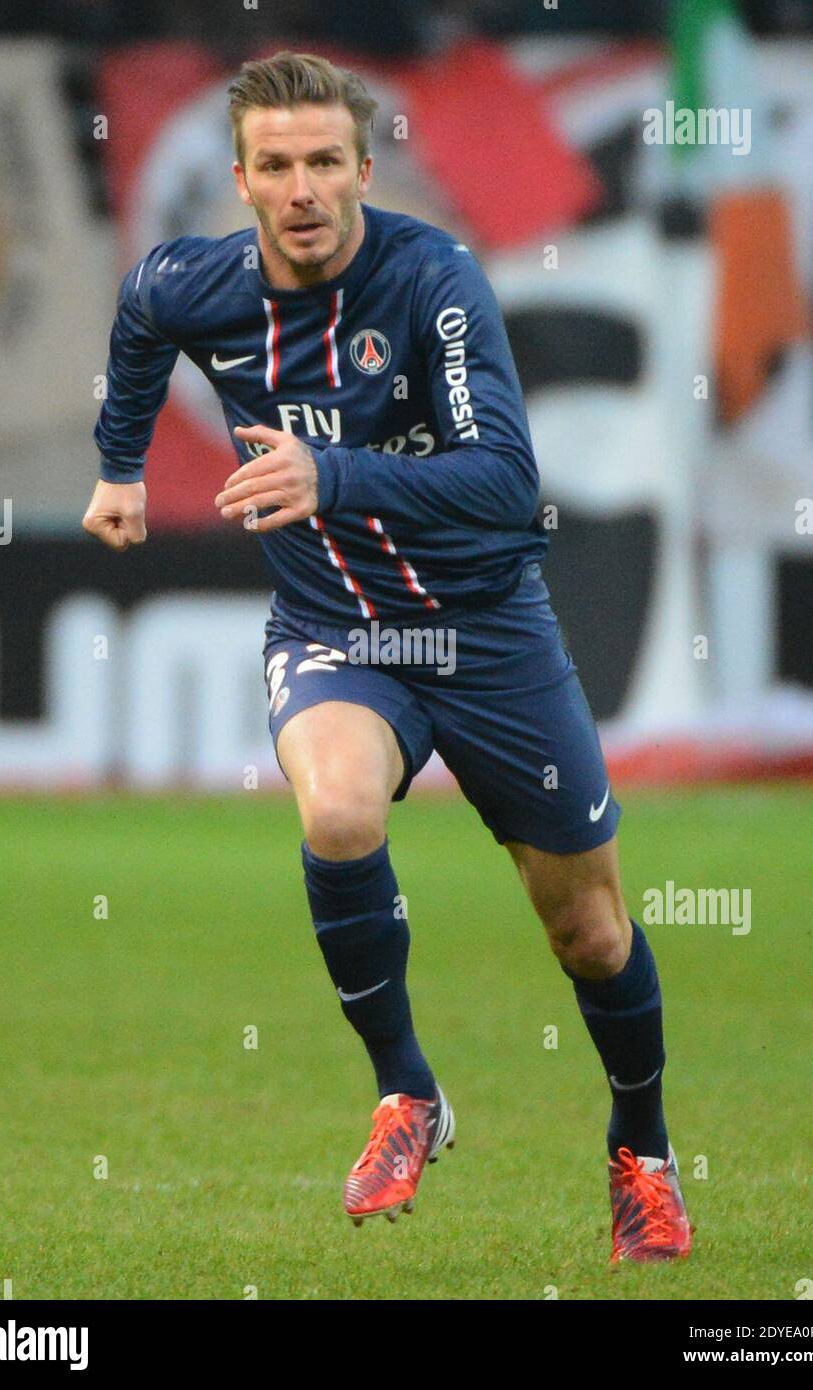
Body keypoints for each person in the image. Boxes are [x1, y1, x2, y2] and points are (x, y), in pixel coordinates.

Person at [83, 49, 692, 1262]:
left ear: (364, 168)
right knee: (340, 809)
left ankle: (643, 1152)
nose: (302, 187)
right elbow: (144, 315)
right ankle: (408, 1091)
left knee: (591, 933)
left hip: (488, 634)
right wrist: (116, 464)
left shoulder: (435, 282)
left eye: (323, 162)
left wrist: (334, 471)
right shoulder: (195, 282)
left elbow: (510, 482)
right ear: (243, 183)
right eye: (275, 166)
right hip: (337, 632)